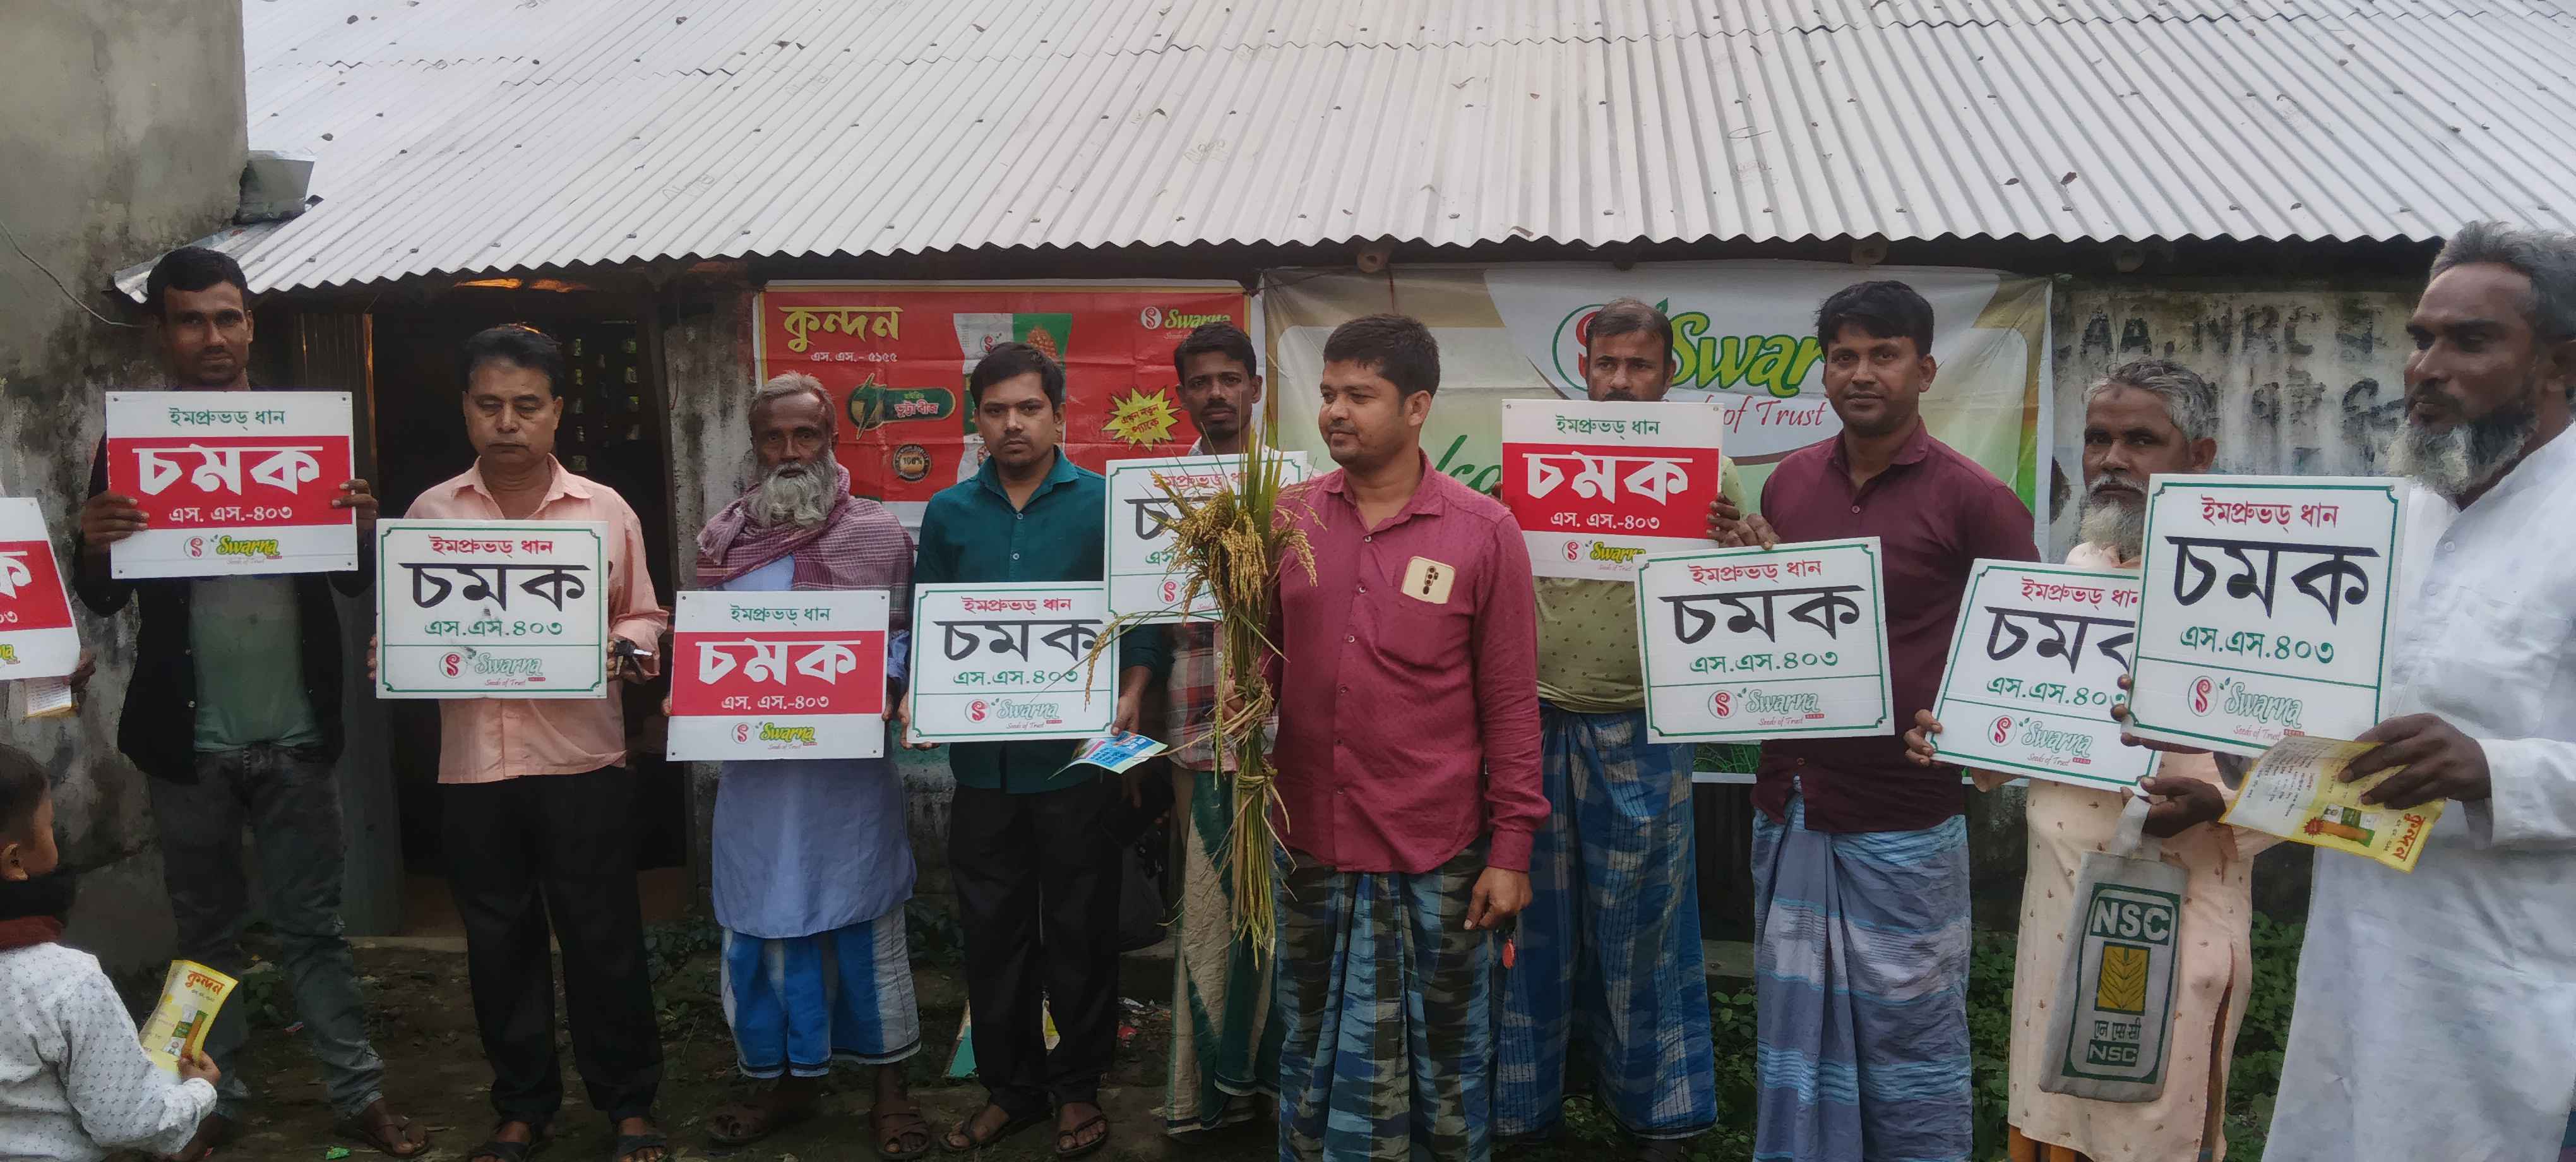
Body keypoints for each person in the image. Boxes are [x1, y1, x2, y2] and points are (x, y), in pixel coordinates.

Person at [67, 246, 423, 1161]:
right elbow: (105, 594)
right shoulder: (133, 442)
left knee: (317, 930)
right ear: (162, 331)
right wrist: (92, 539)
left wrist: (361, 526)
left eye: (227, 317)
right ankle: (203, 1101)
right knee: (204, 937)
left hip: (299, 735)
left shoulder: (305, 434)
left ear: (252, 324)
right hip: (186, 744)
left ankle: (358, 1094)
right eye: (191, 320)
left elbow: (352, 580)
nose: (212, 336)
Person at [1902, 359, 2273, 1162]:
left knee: (2150, 1126)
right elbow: (2033, 736)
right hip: (2057, 908)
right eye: (2098, 438)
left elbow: (2314, 770)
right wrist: (1961, 736)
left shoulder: (2254, 590)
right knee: (2052, 1117)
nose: (2112, 459)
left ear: (2199, 456)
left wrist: (2221, 804)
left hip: (2174, 915)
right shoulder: (2081, 569)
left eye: (2141, 440)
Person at [2258, 221, 2576, 1161]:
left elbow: (2486, 762)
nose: (2427, 368)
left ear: (2561, 364)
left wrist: (2493, 770)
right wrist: (2237, 765)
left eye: (2470, 341)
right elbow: (2339, 722)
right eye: (2421, 338)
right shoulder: (2393, 517)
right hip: (2356, 965)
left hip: (2513, 984)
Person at [1708, 280, 2037, 1162]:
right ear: (1824, 371)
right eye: (1844, 355)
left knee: (1909, 1039)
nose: (1862, 373)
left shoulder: (1976, 499)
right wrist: (1747, 570)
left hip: (1904, 817)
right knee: (1795, 1035)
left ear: (1924, 370)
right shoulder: (1788, 481)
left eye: (1883, 355)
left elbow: (2024, 656)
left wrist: (1975, 732)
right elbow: (1779, 622)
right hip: (1792, 802)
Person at [1269, 313, 1547, 1162]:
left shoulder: (1483, 531)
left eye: (1360, 395)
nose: (1335, 411)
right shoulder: (1285, 519)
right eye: (1328, 393)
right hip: (1309, 839)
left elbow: (1511, 703)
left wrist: (1512, 850)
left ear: (1418, 406)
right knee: (1309, 1042)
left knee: (1446, 1060)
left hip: (1437, 847)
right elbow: (1261, 664)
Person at [391, 325, 671, 1162]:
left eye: (525, 405)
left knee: (602, 937)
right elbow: (410, 627)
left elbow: (644, 615)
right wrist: (394, 652)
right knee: (497, 943)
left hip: (582, 759)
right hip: (475, 765)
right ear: (466, 410)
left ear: (555, 411)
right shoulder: (431, 514)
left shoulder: (604, 509)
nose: (507, 422)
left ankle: (628, 1104)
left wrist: (623, 649)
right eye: (489, 405)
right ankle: (522, 1107)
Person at [904, 342, 1162, 1159]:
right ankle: (1010, 1090)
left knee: (1080, 930)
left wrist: (1132, 696)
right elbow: (931, 618)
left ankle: (1077, 1087)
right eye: (996, 410)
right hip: (984, 769)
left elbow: (1141, 621)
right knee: (993, 934)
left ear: (1059, 413)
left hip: (1077, 763)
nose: (1012, 424)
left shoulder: (1105, 504)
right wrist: (920, 692)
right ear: (975, 419)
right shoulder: (949, 512)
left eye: (1028, 408)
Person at [1496, 298, 1741, 1159]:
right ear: (1585, 370)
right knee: (1529, 921)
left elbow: (1734, 590)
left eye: (1641, 365)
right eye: (1608, 364)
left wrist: (1735, 541)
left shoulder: (1709, 466)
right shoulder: (1534, 455)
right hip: (1535, 721)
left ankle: (1658, 1116)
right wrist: (1500, 511)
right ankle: (1522, 1110)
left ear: (1668, 373)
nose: (1623, 381)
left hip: (1647, 725)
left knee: (1645, 927)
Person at [690, 373, 928, 1156]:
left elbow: (906, 636)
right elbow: (710, 648)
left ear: (831, 440)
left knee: (866, 917)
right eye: (774, 437)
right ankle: (783, 1081)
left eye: (806, 435)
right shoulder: (724, 540)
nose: (790, 451)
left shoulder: (879, 534)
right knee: (765, 918)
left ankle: (889, 1090)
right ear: (755, 445)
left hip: (847, 778)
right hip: (758, 777)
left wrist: (886, 682)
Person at [1112, 320, 1282, 1137]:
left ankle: (1275, 1082)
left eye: (1230, 379)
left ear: (1256, 388)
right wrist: (1133, 701)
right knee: (1211, 911)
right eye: (1201, 382)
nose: (1217, 394)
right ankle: (1208, 1092)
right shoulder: (1156, 492)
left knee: (1281, 913)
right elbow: (1144, 618)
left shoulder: (1299, 487)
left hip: (1287, 736)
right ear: (1182, 396)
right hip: (1195, 731)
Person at [0, 743, 225, 1162]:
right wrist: (200, 1091)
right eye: (50, 827)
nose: (57, 839)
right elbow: (127, 1123)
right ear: (15, 861)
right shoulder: (66, 981)